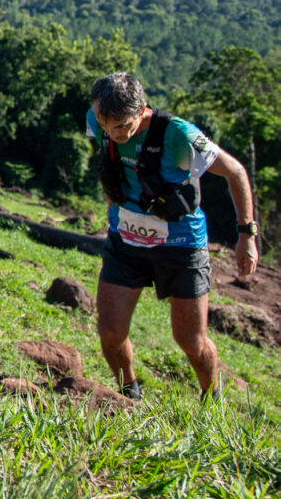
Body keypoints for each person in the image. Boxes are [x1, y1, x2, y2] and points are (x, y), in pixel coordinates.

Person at [86, 72, 258, 401]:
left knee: (190, 340)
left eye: (122, 126)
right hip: (126, 240)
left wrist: (247, 233)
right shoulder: (99, 119)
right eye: (106, 125)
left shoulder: (178, 136)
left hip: (181, 244)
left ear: (141, 110)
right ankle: (129, 395)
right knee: (110, 331)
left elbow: (235, 171)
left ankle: (211, 396)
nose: (113, 133)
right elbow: (112, 165)